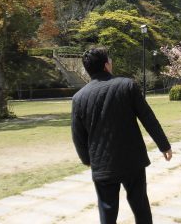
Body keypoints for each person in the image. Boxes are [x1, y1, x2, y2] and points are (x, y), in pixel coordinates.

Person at [71, 47, 172, 224]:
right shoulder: (127, 85)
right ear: (106, 65)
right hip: (132, 160)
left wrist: (87, 159)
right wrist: (164, 145)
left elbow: (78, 135)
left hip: (102, 163)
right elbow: (148, 118)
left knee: (107, 211)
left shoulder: (79, 98)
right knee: (140, 205)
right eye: (110, 60)